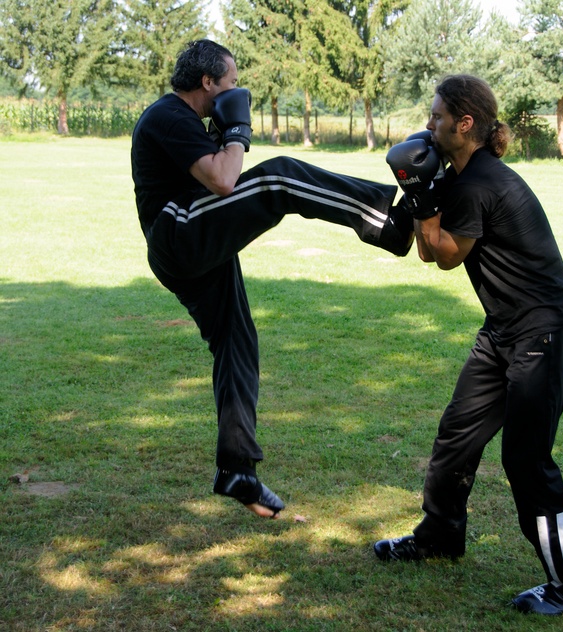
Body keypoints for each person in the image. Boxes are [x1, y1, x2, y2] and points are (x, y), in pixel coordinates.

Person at [130, 39, 413, 520]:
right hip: (178, 232)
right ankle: (388, 221)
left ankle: (237, 469)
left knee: (237, 343)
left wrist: (226, 134)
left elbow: (221, 185)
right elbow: (224, 181)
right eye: (232, 82)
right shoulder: (169, 116)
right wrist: (237, 133)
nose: (236, 89)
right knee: (280, 178)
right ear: (208, 82)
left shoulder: (186, 120)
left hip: (190, 239)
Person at [375, 74, 563, 616]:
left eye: (437, 116)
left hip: (543, 332)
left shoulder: (481, 182)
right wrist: (424, 197)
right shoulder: (460, 177)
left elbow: (447, 257)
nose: (428, 123)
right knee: (456, 436)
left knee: (526, 459)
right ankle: (439, 536)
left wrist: (425, 199)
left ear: (465, 123)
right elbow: (429, 250)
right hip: (502, 330)